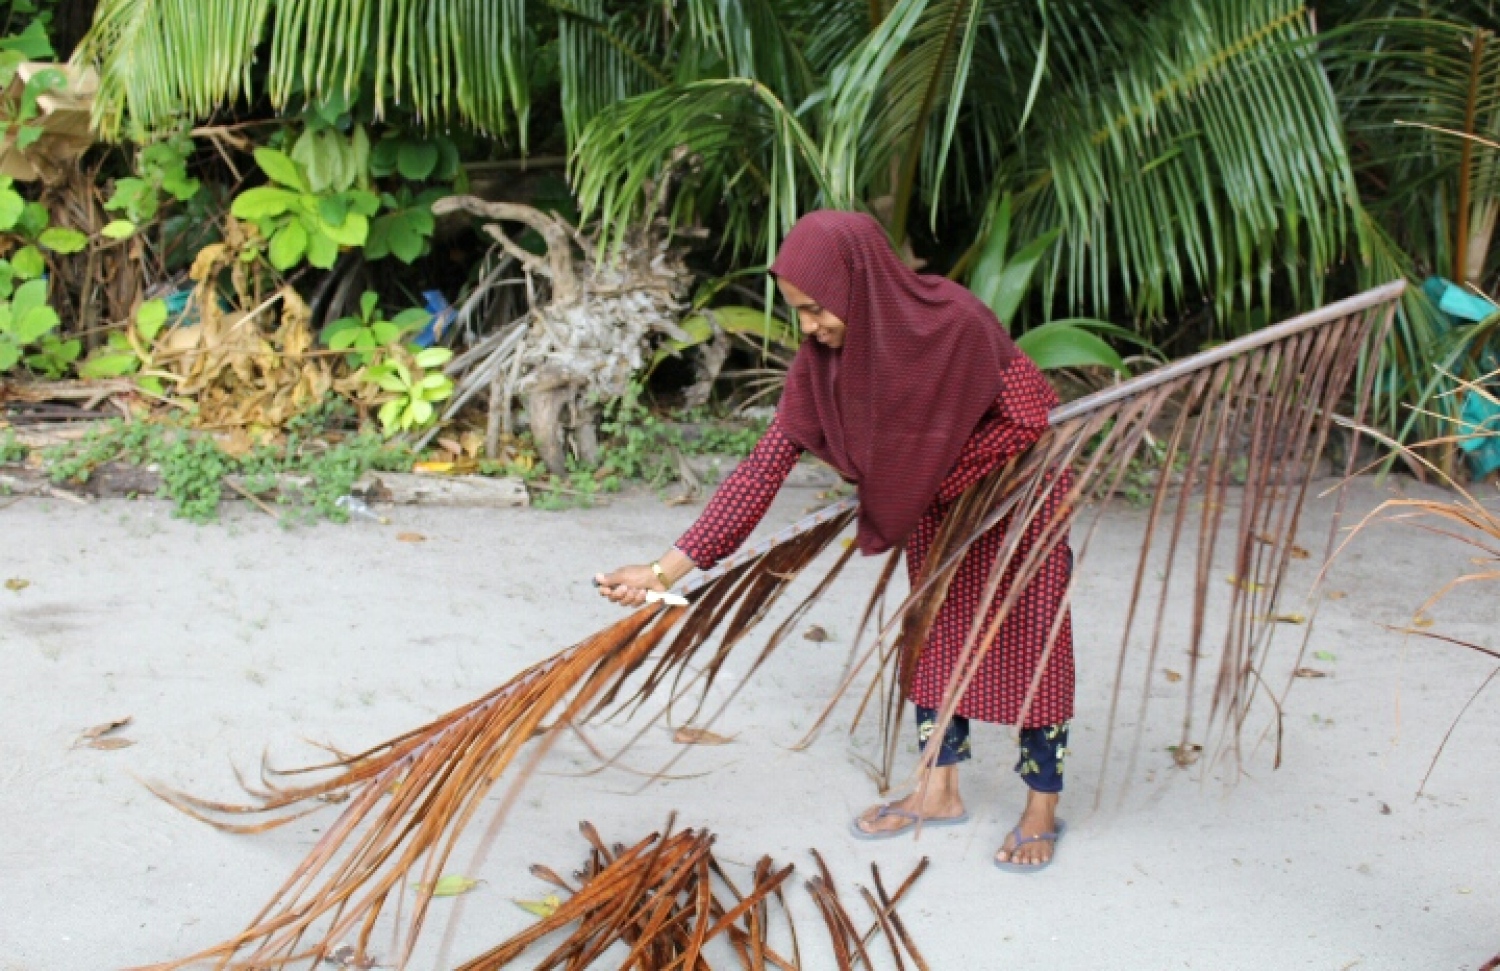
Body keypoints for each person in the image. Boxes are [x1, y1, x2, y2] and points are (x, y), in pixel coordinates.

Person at [595, 210, 1074, 869]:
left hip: (1019, 503)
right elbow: (763, 468)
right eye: (798, 311)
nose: (808, 327)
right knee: (933, 640)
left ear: (860, 286)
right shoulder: (823, 364)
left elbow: (1031, 417)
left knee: (1032, 648)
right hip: (937, 512)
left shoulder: (957, 321)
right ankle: (937, 790)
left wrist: (930, 477)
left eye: (816, 309)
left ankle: (1041, 806)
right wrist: (663, 571)